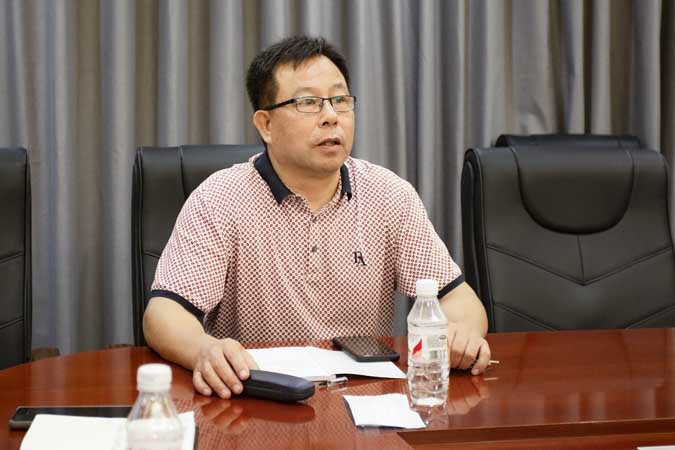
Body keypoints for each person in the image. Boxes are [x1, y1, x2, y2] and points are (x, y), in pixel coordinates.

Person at [143, 35, 492, 399]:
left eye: (340, 101)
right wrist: (204, 349)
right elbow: (164, 313)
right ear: (266, 125)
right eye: (308, 103)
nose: (330, 117)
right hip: (258, 401)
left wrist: (461, 333)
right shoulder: (220, 199)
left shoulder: (389, 195)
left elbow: (458, 298)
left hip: (365, 403)